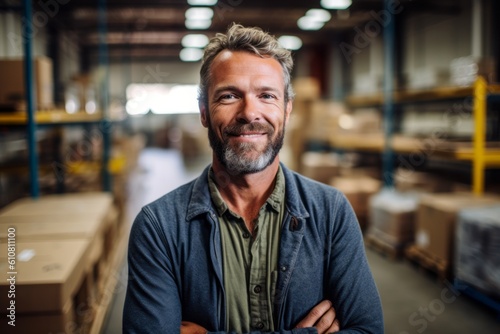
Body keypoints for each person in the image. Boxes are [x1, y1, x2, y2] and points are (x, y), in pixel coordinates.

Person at [123, 23, 383, 334]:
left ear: (286, 110)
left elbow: (367, 329)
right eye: (229, 95)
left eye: (266, 95)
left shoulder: (331, 212)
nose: (250, 113)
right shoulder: (159, 227)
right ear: (204, 112)